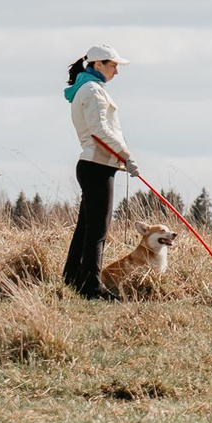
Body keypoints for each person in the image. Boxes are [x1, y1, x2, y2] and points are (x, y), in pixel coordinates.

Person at [61, 44, 138, 300]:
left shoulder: (89, 88)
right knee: (97, 231)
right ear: (97, 64)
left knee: (86, 228)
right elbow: (99, 130)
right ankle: (92, 288)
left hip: (95, 164)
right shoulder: (92, 91)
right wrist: (126, 156)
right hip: (97, 165)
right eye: (113, 65)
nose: (116, 71)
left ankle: (72, 279)